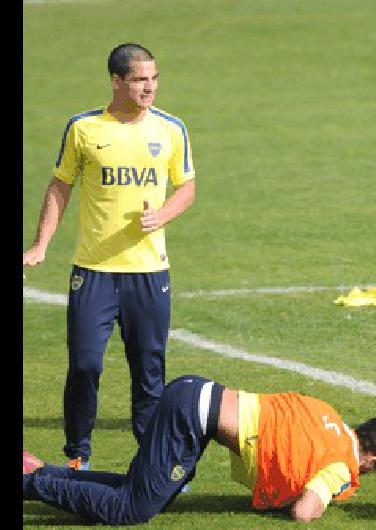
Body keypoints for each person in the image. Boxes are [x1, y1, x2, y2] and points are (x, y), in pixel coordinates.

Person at [22, 43, 196, 470]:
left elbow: (187, 187)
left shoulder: (172, 129)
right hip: (94, 272)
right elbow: (60, 185)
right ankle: (78, 454)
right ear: (116, 81)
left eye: (154, 78)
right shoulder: (83, 128)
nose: (149, 87)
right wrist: (40, 244)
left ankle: (153, 461)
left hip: (149, 272)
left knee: (149, 373)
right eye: (139, 79)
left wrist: (164, 216)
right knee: (83, 365)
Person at [22, 375, 376, 524]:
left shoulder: (328, 415)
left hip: (195, 396)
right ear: (371, 459)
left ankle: (46, 473)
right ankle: (31, 484)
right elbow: (305, 512)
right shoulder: (342, 463)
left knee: (154, 493)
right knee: (132, 509)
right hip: (192, 415)